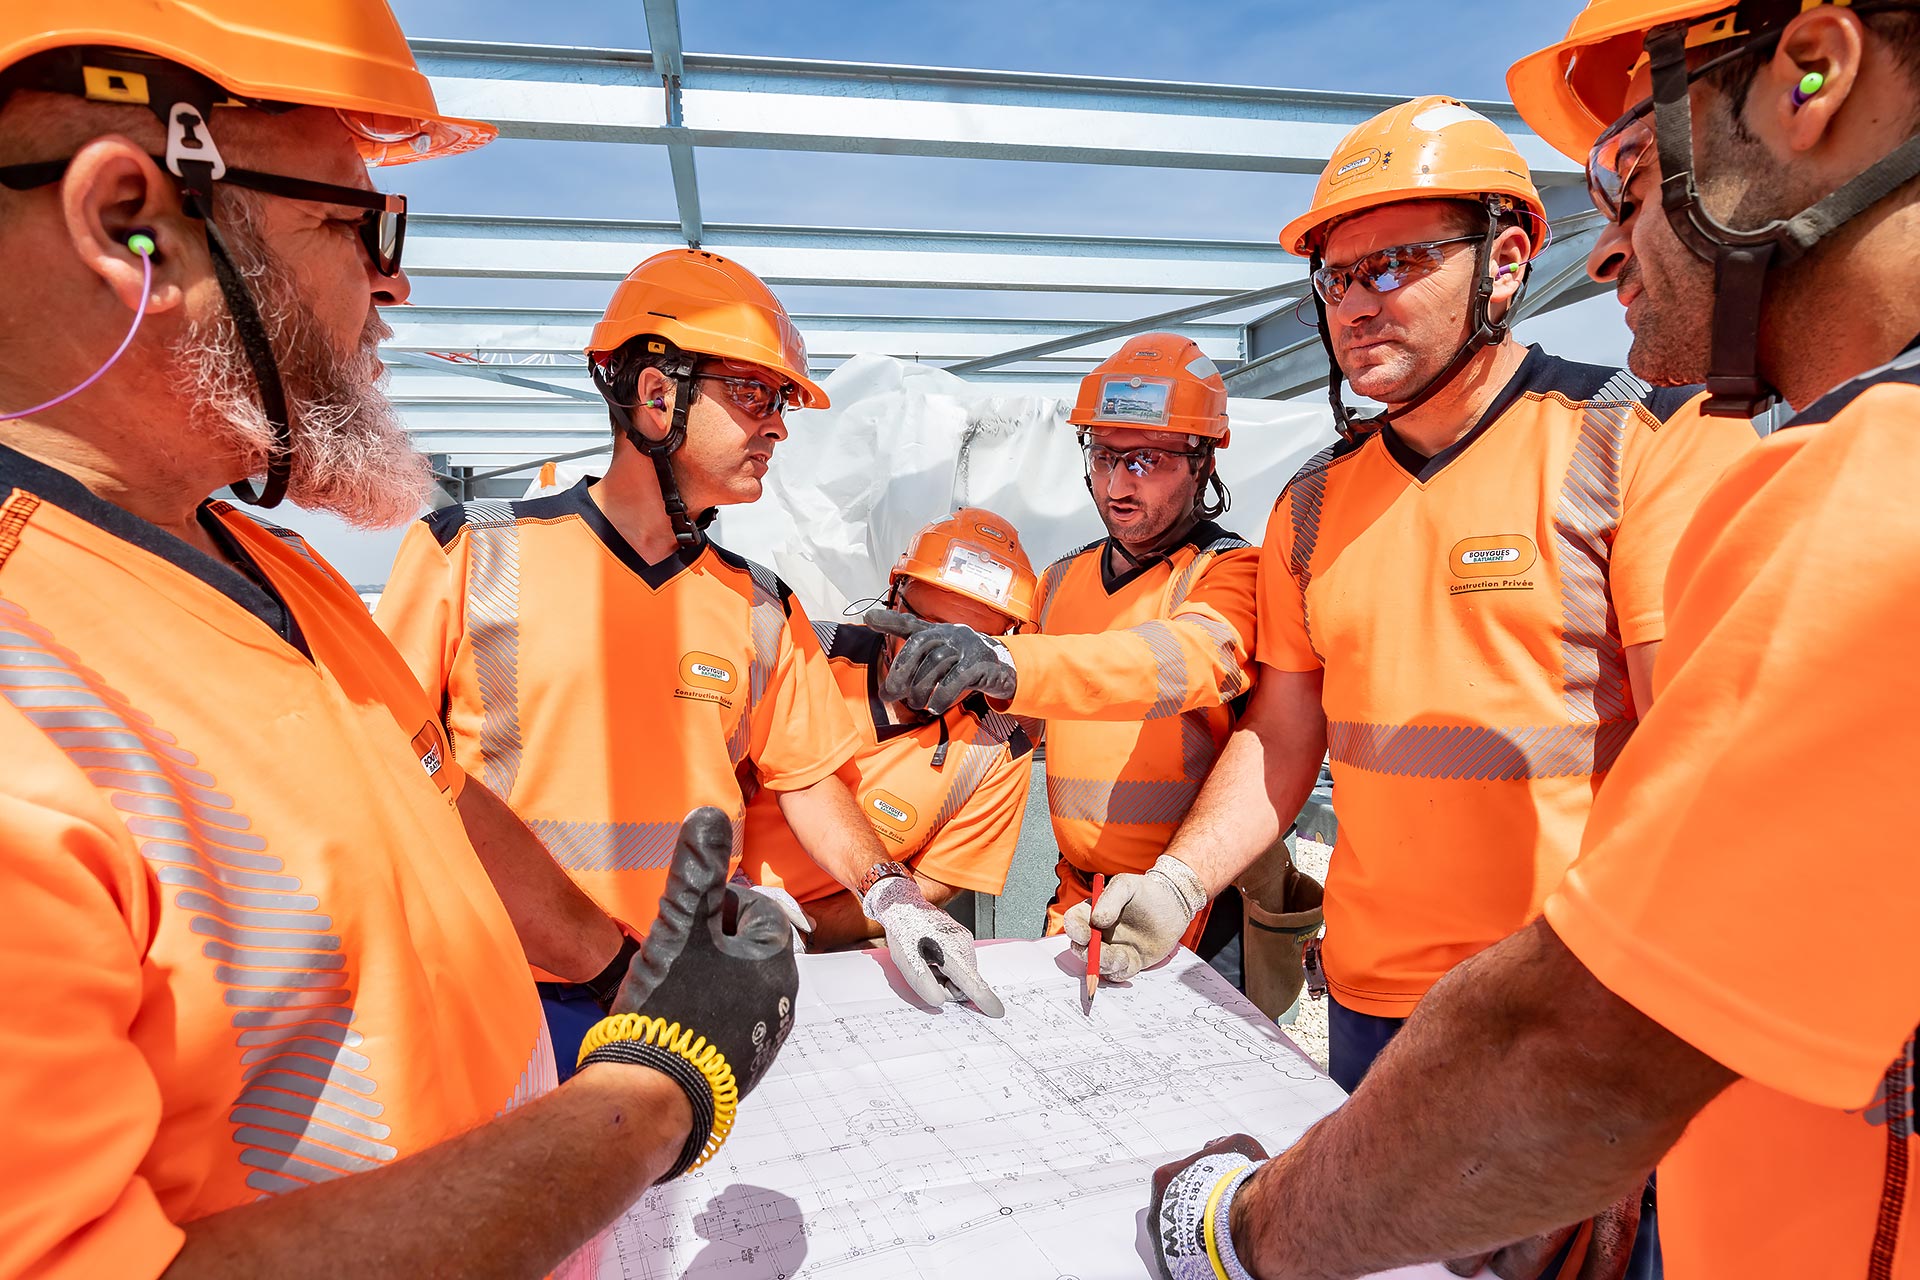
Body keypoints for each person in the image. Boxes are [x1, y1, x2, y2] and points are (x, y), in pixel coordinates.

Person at [0, 6, 799, 1276]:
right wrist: (652, 1091)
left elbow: (438, 795)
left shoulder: (274, 569)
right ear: (127, 222)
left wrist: (616, 970)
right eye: (355, 224)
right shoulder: (29, 693)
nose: (395, 281)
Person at [1149, 4, 1920, 1278]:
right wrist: (1181, 881)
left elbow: (1610, 1025)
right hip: (1417, 1027)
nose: (1614, 253)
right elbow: (1287, 732)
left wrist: (1246, 1233)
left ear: (1816, 71)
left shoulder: (1667, 452)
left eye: (1628, 178)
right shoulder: (1314, 505)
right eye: (1336, 277)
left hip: (1557, 1056)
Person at [376, 248, 1003, 1070]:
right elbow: (388, 760)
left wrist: (892, 895)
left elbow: (808, 780)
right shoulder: (471, 553)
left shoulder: (760, 606)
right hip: (501, 993)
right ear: (655, 393)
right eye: (754, 394)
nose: (778, 424)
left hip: (688, 992)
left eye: (781, 400)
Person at [871, 333, 1265, 978]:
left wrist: (1008, 663)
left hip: (1193, 907)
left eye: (1149, 460)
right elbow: (1015, 716)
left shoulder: (1231, 573)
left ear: (1204, 461)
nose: (1119, 483)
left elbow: (1181, 659)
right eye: (1106, 456)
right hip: (1077, 898)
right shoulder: (1060, 581)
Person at [742, 508, 1038, 948]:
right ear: (893, 599)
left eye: (972, 645)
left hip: (835, 941)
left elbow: (934, 882)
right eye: (926, 629)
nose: (941, 661)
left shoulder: (998, 745)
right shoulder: (810, 655)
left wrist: (798, 929)